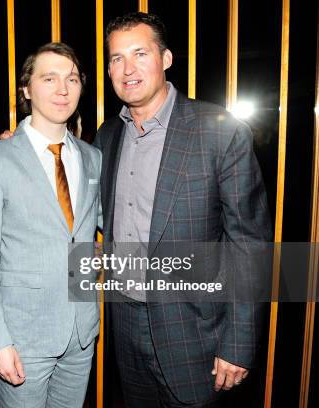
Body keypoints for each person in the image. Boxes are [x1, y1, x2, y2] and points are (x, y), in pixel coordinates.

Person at [93, 12, 271, 407]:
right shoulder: (106, 137)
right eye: (117, 58)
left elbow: (250, 245)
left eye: (140, 53)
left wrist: (239, 343)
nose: (128, 68)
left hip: (197, 331)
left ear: (167, 59)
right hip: (124, 326)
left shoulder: (219, 130)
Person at [0, 42, 101, 408]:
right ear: (26, 89)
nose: (63, 89)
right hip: (22, 337)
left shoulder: (93, 157)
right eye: (49, 78)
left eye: (72, 79)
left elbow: (96, 232)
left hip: (82, 332)